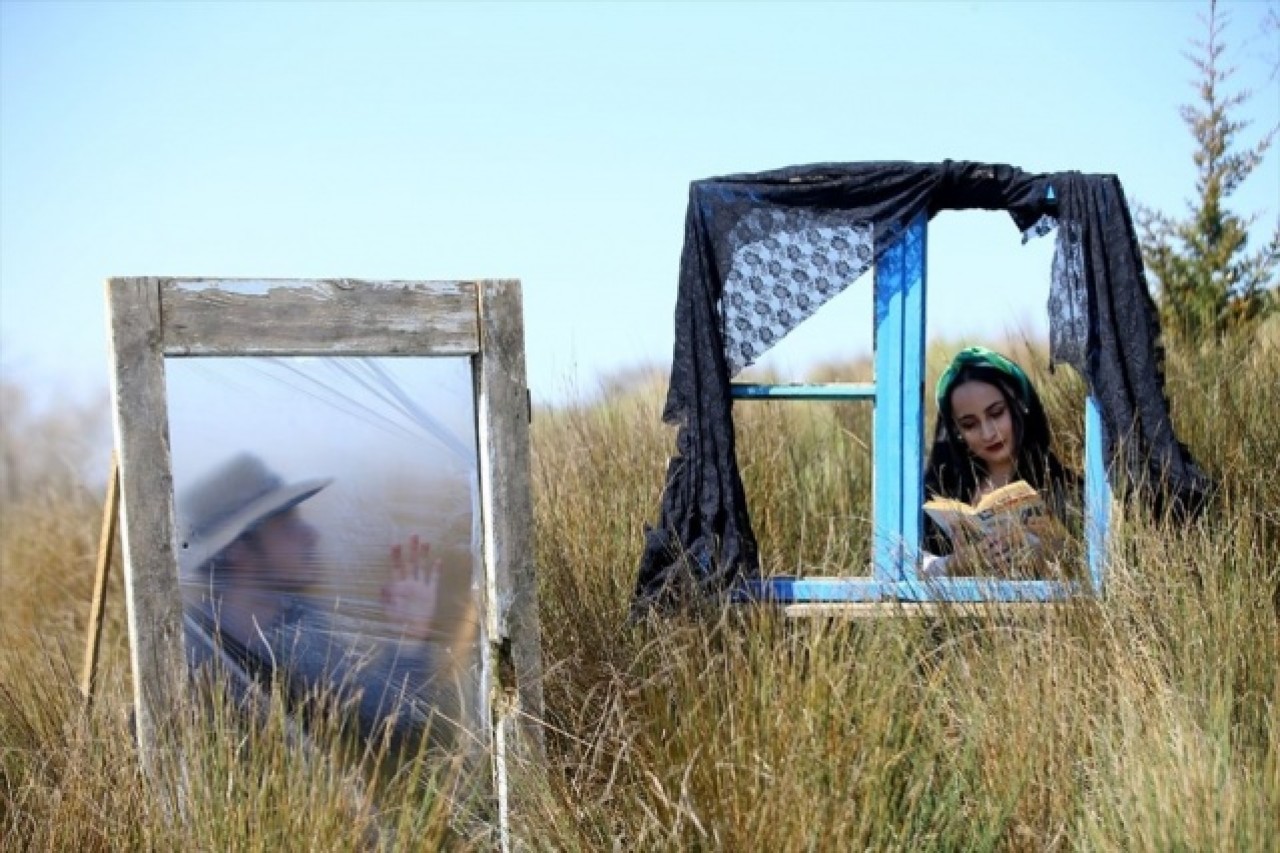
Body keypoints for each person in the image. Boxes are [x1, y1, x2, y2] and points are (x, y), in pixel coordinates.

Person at [177, 453, 458, 753]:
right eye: (286, 525)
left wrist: (409, 640)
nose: (311, 534)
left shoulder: (301, 629)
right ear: (237, 548)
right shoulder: (185, 651)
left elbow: (375, 725)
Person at [921, 346, 1081, 577]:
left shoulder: (1065, 487)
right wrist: (955, 564)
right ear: (956, 431)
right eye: (969, 424)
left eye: (996, 413)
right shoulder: (940, 491)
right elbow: (900, 569)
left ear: (1020, 404)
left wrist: (1055, 550)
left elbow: (1100, 570)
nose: (988, 433)